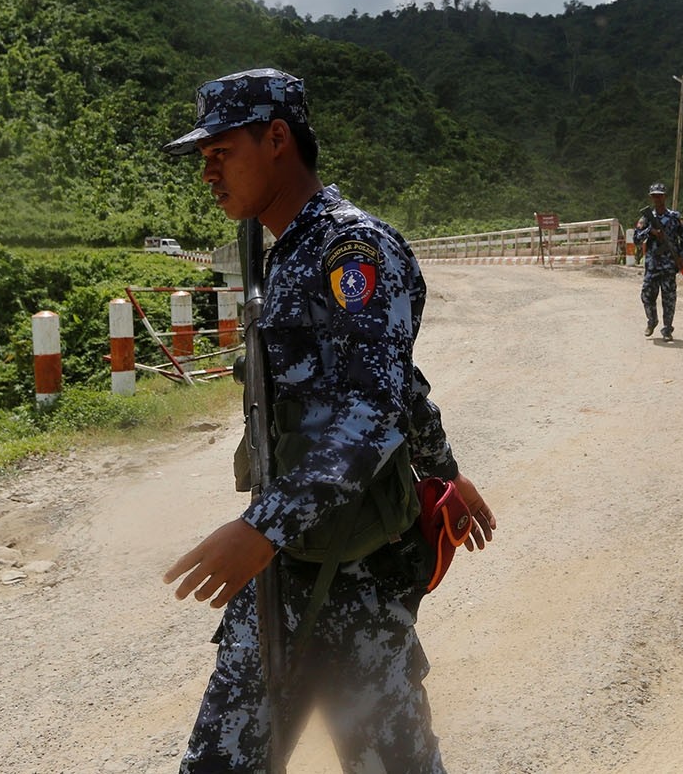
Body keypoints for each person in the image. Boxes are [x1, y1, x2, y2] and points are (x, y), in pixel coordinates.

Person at [160, 67, 497, 774]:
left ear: (276, 138)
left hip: (356, 580)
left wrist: (260, 528)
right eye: (203, 159)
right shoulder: (276, 252)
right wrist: (448, 470)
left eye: (221, 152)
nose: (208, 173)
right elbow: (394, 384)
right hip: (280, 575)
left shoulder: (353, 249)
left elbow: (375, 406)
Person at [633, 182, 683, 341]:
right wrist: (650, 231)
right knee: (647, 295)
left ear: (664, 196)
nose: (657, 199)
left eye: (660, 195)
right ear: (651, 198)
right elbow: (636, 238)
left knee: (669, 298)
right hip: (652, 265)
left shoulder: (674, 217)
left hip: (669, 265)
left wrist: (682, 257)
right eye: (654, 196)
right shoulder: (646, 218)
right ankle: (652, 320)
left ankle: (667, 329)